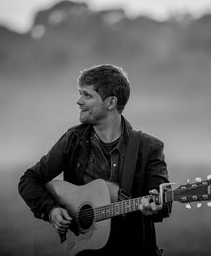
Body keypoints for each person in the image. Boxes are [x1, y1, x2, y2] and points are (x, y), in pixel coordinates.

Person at [18, 64, 171, 256]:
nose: (79, 101)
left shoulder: (149, 148)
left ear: (110, 102)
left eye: (87, 95)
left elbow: (162, 197)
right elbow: (29, 179)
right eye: (80, 93)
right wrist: (51, 210)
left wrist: (155, 208)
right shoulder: (74, 140)